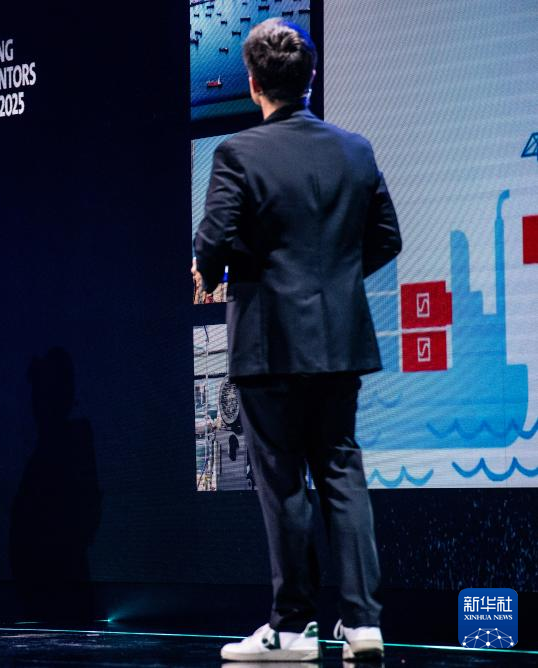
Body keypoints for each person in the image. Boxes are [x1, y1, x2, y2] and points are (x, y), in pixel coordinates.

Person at [193, 19, 401, 663]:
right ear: (309, 79)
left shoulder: (238, 152)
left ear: (253, 83)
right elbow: (386, 238)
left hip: (268, 343)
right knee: (342, 471)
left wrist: (215, 270)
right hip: (339, 340)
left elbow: (211, 244)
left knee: (282, 482)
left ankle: (291, 630)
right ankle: (363, 625)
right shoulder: (355, 150)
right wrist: (332, 278)